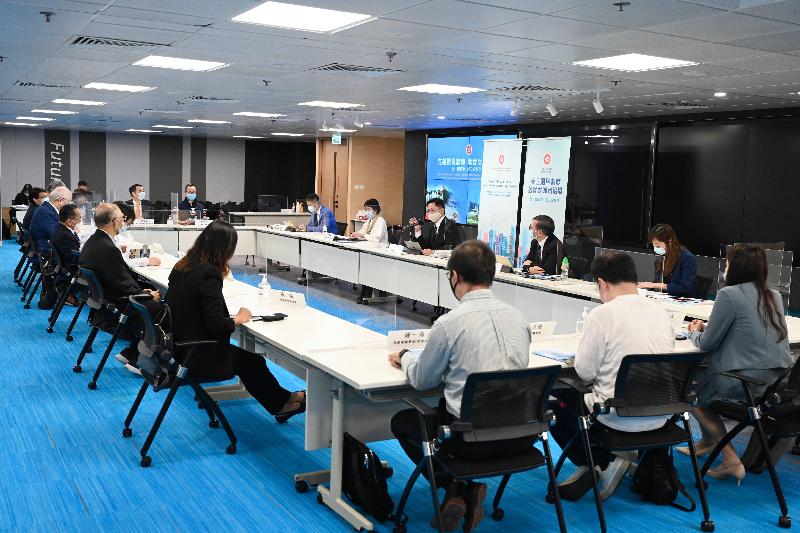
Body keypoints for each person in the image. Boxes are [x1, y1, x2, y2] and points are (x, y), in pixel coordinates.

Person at [389, 240, 532, 532]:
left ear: (454, 276)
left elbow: (422, 380)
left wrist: (404, 357)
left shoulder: (449, 323)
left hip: (468, 441)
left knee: (402, 421)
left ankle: (454, 487)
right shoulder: (519, 318)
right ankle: (462, 489)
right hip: (521, 436)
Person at [549, 251, 676, 502]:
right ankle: (602, 463)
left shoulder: (602, 315)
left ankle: (600, 462)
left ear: (601, 283)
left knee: (553, 399)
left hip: (617, 415)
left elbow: (584, 373)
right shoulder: (661, 312)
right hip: (662, 413)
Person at [166, 220, 306, 422]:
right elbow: (216, 325)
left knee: (249, 360)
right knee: (252, 362)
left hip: (178, 345)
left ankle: (287, 399)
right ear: (224, 248)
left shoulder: (183, 265)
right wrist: (239, 319)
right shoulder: (209, 273)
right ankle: (284, 403)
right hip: (196, 353)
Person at [680, 244, 792, 483]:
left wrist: (693, 332)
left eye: (728, 263)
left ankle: (730, 458)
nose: (725, 267)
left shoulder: (729, 295)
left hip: (745, 383)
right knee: (702, 385)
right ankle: (709, 441)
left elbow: (708, 343)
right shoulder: (774, 296)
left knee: (688, 392)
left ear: (736, 267)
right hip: (775, 382)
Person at [80, 203, 161, 373]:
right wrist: (147, 295)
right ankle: (138, 360)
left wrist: (143, 291)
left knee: (151, 294)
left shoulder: (94, 242)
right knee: (163, 311)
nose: (123, 222)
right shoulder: (107, 248)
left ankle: (131, 353)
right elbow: (123, 285)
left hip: (107, 299)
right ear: (115, 221)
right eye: (122, 219)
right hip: (120, 302)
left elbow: (120, 279)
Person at [638, 223, 697, 297]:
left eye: (658, 245)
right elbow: (658, 280)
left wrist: (656, 285)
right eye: (653, 245)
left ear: (669, 241)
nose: (655, 248)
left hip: (681, 300)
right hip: (664, 297)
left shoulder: (687, 258)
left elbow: (686, 289)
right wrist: (646, 285)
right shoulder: (662, 255)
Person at [51, 204, 83, 305]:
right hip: (71, 268)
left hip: (64, 264)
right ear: (69, 221)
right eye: (79, 219)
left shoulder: (60, 228)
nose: (80, 221)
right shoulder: (66, 235)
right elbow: (75, 258)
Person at [113, 201, 161, 268]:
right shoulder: (107, 240)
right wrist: (147, 261)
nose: (123, 225)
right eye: (123, 219)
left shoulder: (107, 237)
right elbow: (123, 262)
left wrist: (120, 248)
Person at [30, 186, 72, 254]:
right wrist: (72, 230)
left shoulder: (47, 208)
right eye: (68, 202)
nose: (69, 206)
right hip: (47, 251)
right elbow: (56, 236)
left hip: (46, 245)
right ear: (60, 200)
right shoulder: (45, 212)